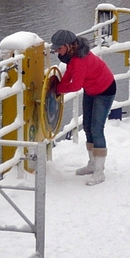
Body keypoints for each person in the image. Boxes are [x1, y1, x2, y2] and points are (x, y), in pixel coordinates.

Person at [50, 29, 117, 185]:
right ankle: (92, 164)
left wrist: (58, 89)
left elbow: (76, 85)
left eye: (59, 48)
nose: (56, 51)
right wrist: (59, 85)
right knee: (87, 126)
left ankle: (99, 172)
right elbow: (69, 74)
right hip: (91, 89)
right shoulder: (72, 57)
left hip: (105, 90)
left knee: (96, 129)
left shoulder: (79, 60)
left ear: (68, 46)